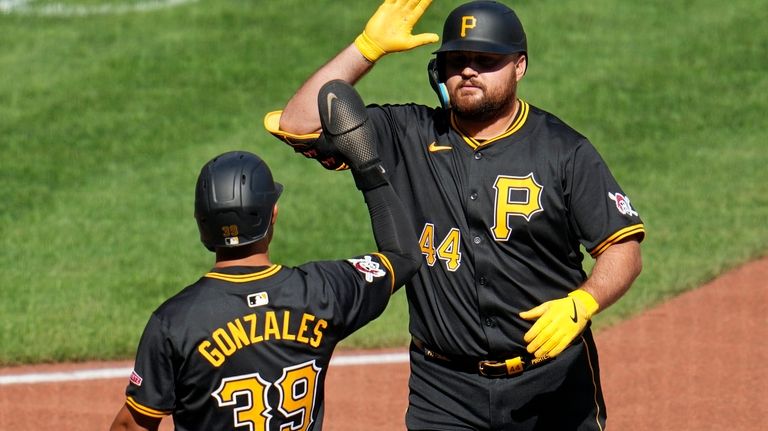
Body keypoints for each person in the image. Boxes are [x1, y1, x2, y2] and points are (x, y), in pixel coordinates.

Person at [265, 0, 645, 429]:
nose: (469, 70)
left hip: (551, 384)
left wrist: (584, 301)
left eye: (486, 60)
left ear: (519, 66)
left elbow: (623, 249)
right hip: (443, 391)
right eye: (457, 60)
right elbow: (299, 125)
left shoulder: (563, 151)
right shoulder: (404, 135)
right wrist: (366, 48)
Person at [109, 81, 421, 431]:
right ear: (273, 214)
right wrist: (367, 166)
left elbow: (131, 426)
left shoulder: (175, 322)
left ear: (202, 222)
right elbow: (404, 256)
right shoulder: (323, 292)